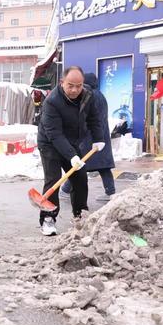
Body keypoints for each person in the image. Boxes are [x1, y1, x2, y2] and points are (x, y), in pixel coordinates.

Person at [36, 66, 104, 236]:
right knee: (53, 180)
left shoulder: (88, 95)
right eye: (70, 85)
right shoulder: (52, 101)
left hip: (72, 142)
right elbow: (55, 134)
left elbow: (94, 118)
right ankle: (48, 219)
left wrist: (99, 138)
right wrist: (72, 156)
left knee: (80, 179)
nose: (75, 90)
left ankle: (80, 216)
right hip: (49, 143)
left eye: (79, 85)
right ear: (62, 83)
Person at [60, 73, 115, 202]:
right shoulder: (101, 96)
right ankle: (110, 192)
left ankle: (65, 190)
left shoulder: (88, 95)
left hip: (89, 137)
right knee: (103, 165)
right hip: (101, 137)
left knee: (78, 163)